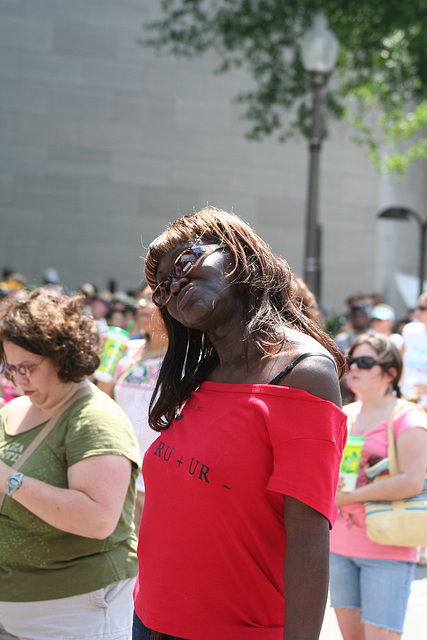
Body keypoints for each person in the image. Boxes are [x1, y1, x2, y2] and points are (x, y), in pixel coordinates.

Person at [132, 207, 348, 640]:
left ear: (237, 254)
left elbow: (308, 532)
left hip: (238, 629)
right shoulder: (197, 373)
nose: (175, 287)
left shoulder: (303, 372)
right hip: (152, 619)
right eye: (164, 289)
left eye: (185, 263)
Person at [0, 288, 142, 640]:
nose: (18, 380)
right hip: (17, 605)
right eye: (10, 367)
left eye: (28, 367)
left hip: (73, 612)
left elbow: (98, 520)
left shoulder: (94, 419)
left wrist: (10, 481)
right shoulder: (15, 409)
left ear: (63, 355)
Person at [330, 333, 427, 640]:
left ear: (391, 373)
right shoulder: (344, 415)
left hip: (389, 547)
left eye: (365, 362)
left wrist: (351, 496)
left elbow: (412, 480)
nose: (354, 367)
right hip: (338, 546)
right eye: (351, 360)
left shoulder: (407, 417)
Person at [98, 287, 167, 534]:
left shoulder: (187, 360)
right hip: (120, 476)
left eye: (151, 299)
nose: (140, 304)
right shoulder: (126, 350)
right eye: (140, 298)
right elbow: (106, 401)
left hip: (160, 484)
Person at [401, 291, 427, 408]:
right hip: (405, 402)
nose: (417, 312)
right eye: (417, 307)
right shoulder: (410, 330)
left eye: (422, 308)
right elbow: (400, 362)